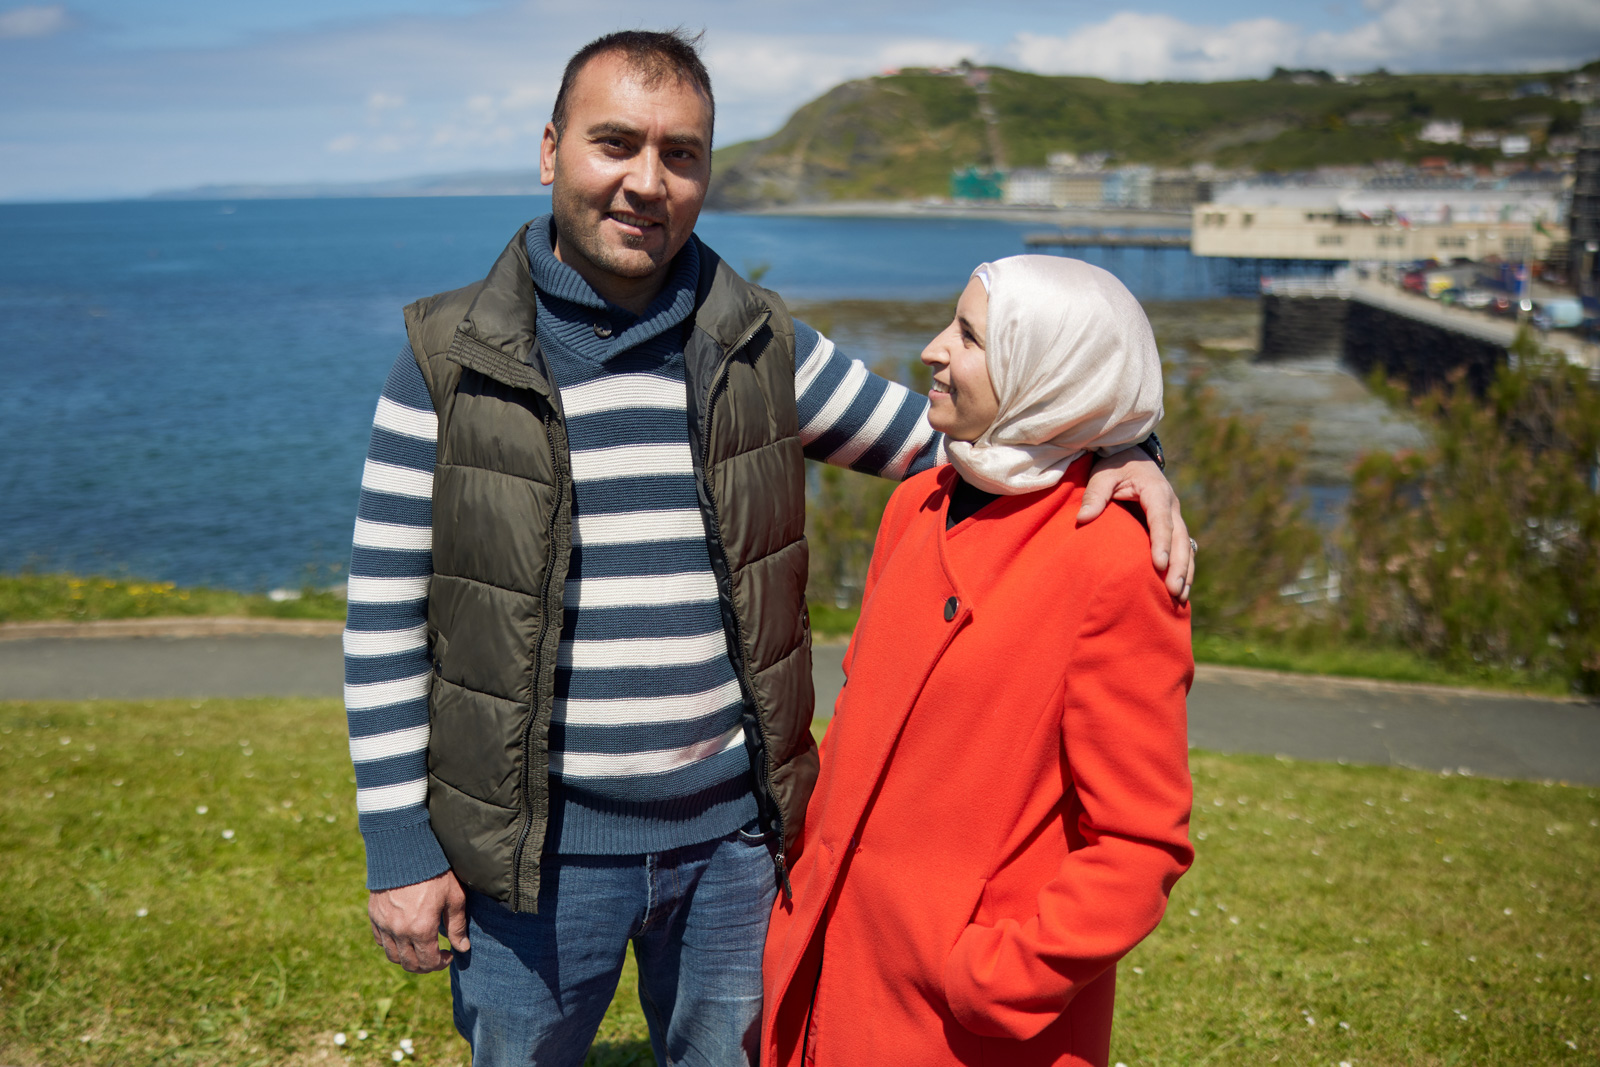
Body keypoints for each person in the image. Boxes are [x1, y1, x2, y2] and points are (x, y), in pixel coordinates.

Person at [342, 30, 1192, 1067]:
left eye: (682, 154)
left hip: (735, 850)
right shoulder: (446, 360)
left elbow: (968, 431)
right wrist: (400, 846)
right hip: (531, 853)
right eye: (614, 144)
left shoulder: (758, 345)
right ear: (550, 149)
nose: (646, 182)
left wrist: (1128, 446)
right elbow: (384, 618)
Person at [762, 256, 1195, 1067]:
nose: (932, 349)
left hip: (963, 1022)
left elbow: (1140, 841)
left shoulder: (1117, 561)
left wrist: (1000, 975)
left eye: (969, 336)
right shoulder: (915, 505)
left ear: (1049, 373)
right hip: (834, 960)